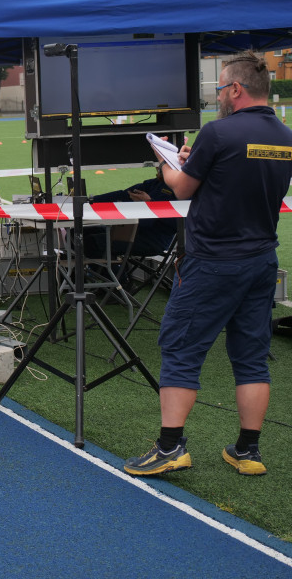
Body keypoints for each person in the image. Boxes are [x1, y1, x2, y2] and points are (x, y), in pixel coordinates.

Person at [124, 52, 292, 478]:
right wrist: (193, 157)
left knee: (181, 347)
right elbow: (232, 176)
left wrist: (166, 163)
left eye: (220, 87)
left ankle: (170, 447)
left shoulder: (218, 132)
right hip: (261, 260)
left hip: (214, 260)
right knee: (252, 357)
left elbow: (182, 186)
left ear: (235, 89)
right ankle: (248, 450)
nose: (218, 94)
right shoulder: (285, 136)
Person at [84, 166, 178, 267]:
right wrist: (89, 201)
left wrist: (150, 203)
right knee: (78, 233)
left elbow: (178, 223)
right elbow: (123, 195)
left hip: (153, 240)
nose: (157, 167)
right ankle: (84, 278)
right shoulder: (154, 183)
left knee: (90, 242)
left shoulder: (179, 189)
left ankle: (118, 279)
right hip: (131, 232)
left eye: (162, 165)